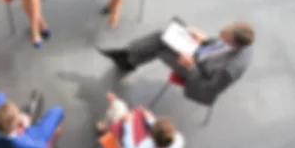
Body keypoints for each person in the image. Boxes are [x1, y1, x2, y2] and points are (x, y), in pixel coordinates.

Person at [98, 20, 255, 105]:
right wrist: (206, 40)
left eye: (224, 34)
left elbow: (207, 93)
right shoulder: (240, 43)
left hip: (198, 73)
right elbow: (221, 47)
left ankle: (128, 58)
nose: (220, 33)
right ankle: (128, 58)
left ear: (233, 42)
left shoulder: (229, 70)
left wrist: (191, 67)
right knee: (164, 35)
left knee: (161, 49)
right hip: (200, 54)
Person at [100, 92, 185, 148]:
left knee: (119, 109)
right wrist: (151, 120)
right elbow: (160, 132)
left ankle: (104, 127)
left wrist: (128, 124)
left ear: (151, 136)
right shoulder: (178, 139)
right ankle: (105, 126)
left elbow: (128, 145)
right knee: (135, 117)